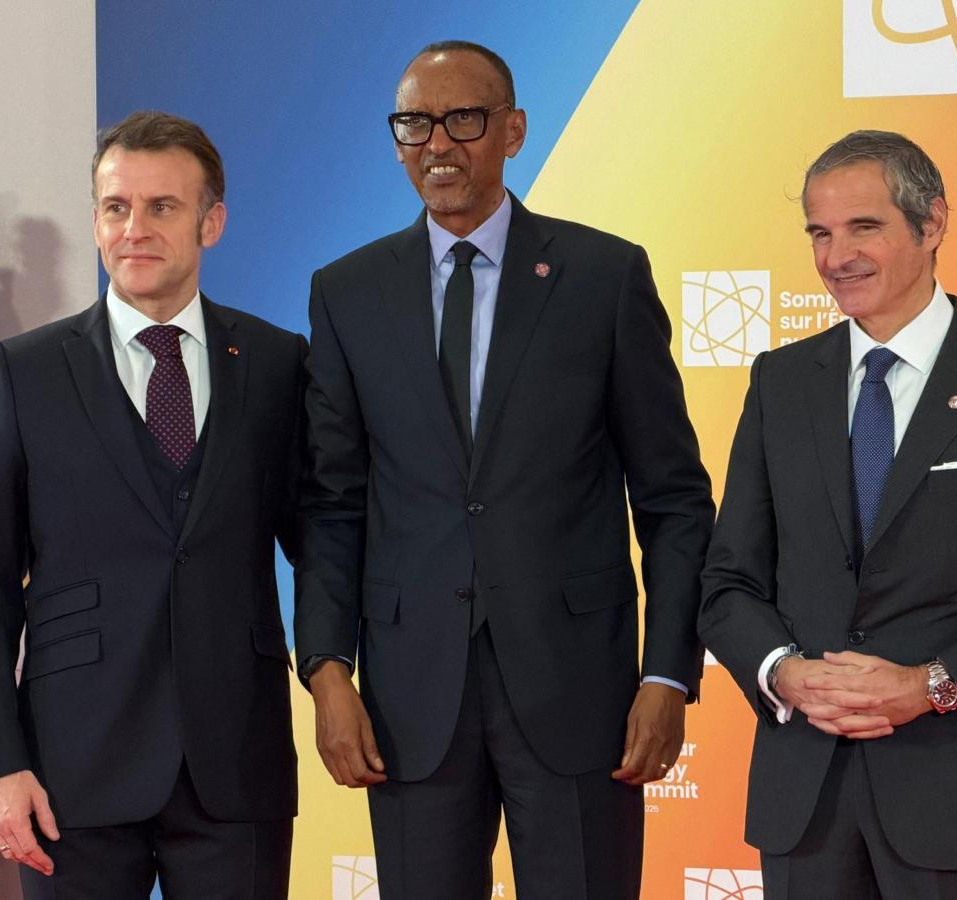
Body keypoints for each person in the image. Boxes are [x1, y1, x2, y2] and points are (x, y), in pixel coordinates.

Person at [296, 40, 714, 900]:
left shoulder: (604, 276)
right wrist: (327, 669)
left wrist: (668, 672)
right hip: (410, 703)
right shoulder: (347, 291)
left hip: (581, 693)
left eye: (464, 120)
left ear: (514, 131)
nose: (437, 145)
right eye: (415, 124)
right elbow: (334, 503)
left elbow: (673, 498)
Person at [698, 130, 957, 899]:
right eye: (819, 234)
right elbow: (729, 583)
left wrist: (933, 685)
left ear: (932, 223)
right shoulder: (780, 383)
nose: (836, 258)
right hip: (806, 805)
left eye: (864, 228)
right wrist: (784, 673)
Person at [0, 111, 305, 899]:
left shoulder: (278, 363)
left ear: (212, 222)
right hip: (68, 773)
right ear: (96, 221)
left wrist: (338, 677)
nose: (134, 228)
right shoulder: (25, 372)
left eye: (162, 206)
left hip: (237, 766)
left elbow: (322, 544)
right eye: (116, 207)